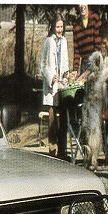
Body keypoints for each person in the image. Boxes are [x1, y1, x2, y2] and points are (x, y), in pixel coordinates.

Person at [40, 14, 69, 157]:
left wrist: (66, 75)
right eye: (57, 27)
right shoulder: (48, 41)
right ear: (53, 27)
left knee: (63, 117)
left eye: (61, 27)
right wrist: (51, 77)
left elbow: (65, 62)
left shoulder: (64, 41)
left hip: (62, 86)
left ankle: (62, 150)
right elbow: (43, 65)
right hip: (51, 86)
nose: (60, 30)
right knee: (52, 118)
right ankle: (52, 149)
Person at [72, 4, 102, 76]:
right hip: (84, 62)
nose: (82, 6)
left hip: (96, 60)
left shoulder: (95, 18)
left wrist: (93, 63)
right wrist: (75, 69)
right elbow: (76, 50)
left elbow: (98, 43)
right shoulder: (76, 25)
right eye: (80, 4)